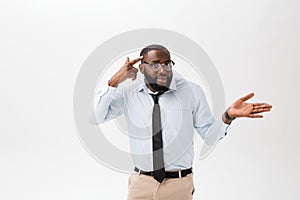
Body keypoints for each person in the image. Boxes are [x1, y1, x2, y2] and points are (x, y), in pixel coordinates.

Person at [92, 44, 272, 200]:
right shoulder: (128, 93)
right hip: (140, 185)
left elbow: (209, 136)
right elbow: (97, 117)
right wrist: (114, 82)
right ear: (141, 68)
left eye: (167, 64)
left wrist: (228, 116)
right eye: (155, 65)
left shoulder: (191, 92)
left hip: (178, 186)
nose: (163, 70)